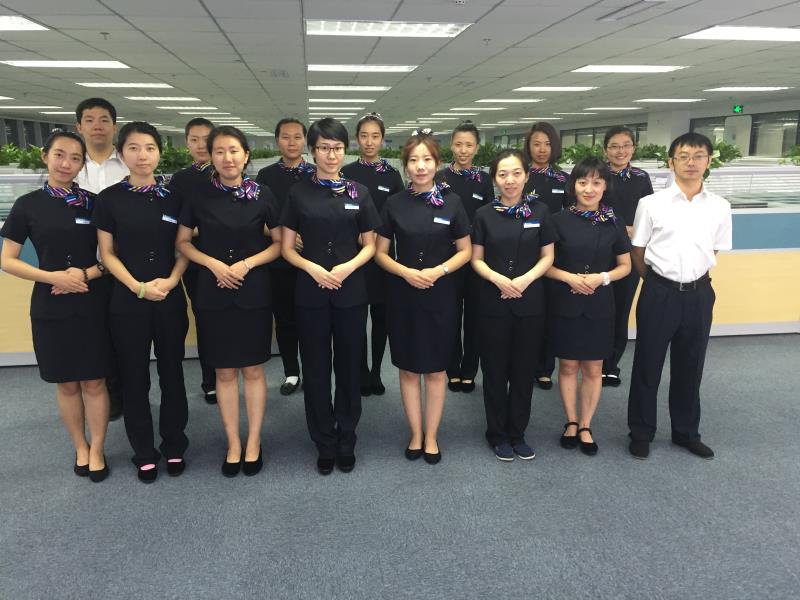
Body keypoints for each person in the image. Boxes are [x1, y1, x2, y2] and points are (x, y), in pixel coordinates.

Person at [0, 130, 112, 482]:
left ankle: (98, 448)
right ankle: (80, 446)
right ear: (45, 156)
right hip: (50, 303)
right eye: (60, 155)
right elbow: (8, 260)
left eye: (75, 158)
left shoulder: (95, 203)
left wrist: (84, 274)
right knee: (66, 383)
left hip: (92, 300)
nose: (66, 163)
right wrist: (53, 278)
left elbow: (112, 257)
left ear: (82, 164)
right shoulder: (27, 205)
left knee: (94, 381)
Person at [176, 126, 281, 477]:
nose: (227, 158)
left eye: (234, 150)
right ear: (210, 156)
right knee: (223, 371)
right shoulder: (199, 194)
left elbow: (279, 243)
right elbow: (183, 242)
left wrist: (247, 264)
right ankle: (233, 442)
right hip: (213, 289)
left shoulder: (263, 194)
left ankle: (254, 441)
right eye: (219, 151)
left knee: (253, 369)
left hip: (254, 290)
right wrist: (214, 264)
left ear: (246, 155)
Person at [281, 118, 380, 475]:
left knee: (349, 366)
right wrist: (313, 269)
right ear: (313, 151)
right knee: (316, 368)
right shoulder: (298, 193)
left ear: (345, 150)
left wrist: (345, 268)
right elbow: (286, 248)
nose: (331, 154)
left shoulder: (359, 192)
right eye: (324, 148)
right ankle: (324, 439)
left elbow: (370, 245)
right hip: (310, 291)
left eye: (337, 148)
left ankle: (347, 436)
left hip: (350, 291)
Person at [93, 122, 189, 483]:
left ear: (159, 153)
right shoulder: (109, 199)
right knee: (134, 377)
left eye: (149, 147)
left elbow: (184, 246)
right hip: (128, 300)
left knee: (172, 374)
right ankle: (144, 452)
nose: (142, 155)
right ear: (121, 154)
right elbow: (107, 253)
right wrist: (138, 287)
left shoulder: (175, 198)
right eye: (133, 148)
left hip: (168, 296)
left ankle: (175, 444)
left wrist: (173, 280)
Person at [627, 132, 732, 460]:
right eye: (683, 156)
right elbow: (638, 251)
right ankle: (641, 432)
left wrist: (691, 279)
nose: (691, 162)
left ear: (708, 161)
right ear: (671, 162)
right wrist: (657, 283)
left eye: (698, 156)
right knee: (647, 364)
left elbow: (714, 249)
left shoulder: (720, 206)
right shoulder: (651, 204)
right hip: (659, 292)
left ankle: (686, 432)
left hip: (699, 295)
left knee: (691, 365)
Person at [375, 129, 472, 464]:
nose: (420, 166)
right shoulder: (394, 203)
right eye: (414, 160)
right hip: (403, 295)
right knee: (407, 369)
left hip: (441, 294)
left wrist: (439, 271)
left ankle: (431, 435)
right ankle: (415, 433)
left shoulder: (452, 202)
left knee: (435, 370)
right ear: (405, 165)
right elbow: (380, 253)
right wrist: (406, 272)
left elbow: (465, 251)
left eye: (427, 159)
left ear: (437, 163)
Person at [471, 149, 556, 461]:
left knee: (523, 370)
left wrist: (524, 280)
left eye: (516, 173)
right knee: (494, 370)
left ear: (526, 176)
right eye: (503, 174)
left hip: (529, 300)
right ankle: (496, 433)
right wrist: (499, 280)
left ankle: (517, 432)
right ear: (495, 179)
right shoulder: (484, 214)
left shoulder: (540, 212)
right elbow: (476, 259)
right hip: (493, 299)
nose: (510, 180)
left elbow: (548, 256)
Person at [545, 157, 632, 456]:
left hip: (599, 303)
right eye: (583, 182)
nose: (589, 189)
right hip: (565, 301)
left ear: (605, 186)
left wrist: (601, 278)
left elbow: (625, 266)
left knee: (594, 368)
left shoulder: (613, 221)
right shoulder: (557, 220)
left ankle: (585, 425)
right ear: (573, 185)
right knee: (568, 365)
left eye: (596, 182)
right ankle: (571, 421)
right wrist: (569, 277)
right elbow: (545, 265)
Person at [342, 112, 404, 397]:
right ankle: (360, 371)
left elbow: (401, 213)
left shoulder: (392, 175)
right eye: (364, 136)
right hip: (353, 255)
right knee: (356, 319)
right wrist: (363, 237)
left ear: (382, 139)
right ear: (357, 139)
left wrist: (382, 241)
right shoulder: (347, 173)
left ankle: (376, 372)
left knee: (381, 318)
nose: (369, 142)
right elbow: (341, 212)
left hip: (384, 256)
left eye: (375, 136)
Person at [74, 97, 129, 421]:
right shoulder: (70, 167)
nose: (97, 126)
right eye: (90, 119)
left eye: (104, 119)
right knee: (91, 338)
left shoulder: (129, 165)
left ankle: (120, 396)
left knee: (123, 337)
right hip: (84, 270)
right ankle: (97, 396)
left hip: (124, 269)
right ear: (79, 126)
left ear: (114, 126)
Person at [255, 118, 315, 396]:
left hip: (312, 260)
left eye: (297, 137)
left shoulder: (316, 173)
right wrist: (282, 236)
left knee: (312, 319)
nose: (292, 142)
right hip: (278, 259)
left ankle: (314, 370)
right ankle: (291, 372)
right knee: (285, 318)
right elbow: (256, 217)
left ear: (305, 141)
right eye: (286, 137)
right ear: (277, 140)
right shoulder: (266, 176)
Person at [436, 121, 493, 394]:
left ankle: (469, 369)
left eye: (469, 145)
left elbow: (491, 217)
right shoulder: (439, 178)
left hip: (477, 258)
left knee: (474, 317)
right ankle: (452, 368)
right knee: (450, 315)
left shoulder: (484, 180)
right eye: (458, 144)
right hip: (447, 257)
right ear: (451, 146)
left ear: (477, 148)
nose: (463, 150)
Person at [601, 126, 654, 387]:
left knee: (621, 310)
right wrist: (623, 227)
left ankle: (610, 365)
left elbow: (651, 215)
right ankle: (592, 359)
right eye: (614, 146)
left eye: (625, 145)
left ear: (633, 148)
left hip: (629, 254)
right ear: (605, 150)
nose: (620, 151)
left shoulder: (641, 178)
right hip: (598, 250)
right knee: (596, 309)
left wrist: (633, 230)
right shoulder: (597, 175)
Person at [169, 117, 217, 404]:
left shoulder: (229, 173)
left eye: (206, 139)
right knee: (205, 319)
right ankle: (210, 380)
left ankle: (234, 373)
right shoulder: (180, 180)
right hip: (195, 263)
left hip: (235, 260)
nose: (201, 145)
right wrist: (212, 226)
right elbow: (177, 225)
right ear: (186, 143)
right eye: (194, 139)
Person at [522, 121, 570, 391]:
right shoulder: (521, 175)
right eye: (536, 144)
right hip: (523, 252)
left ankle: (545, 367)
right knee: (529, 312)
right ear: (528, 146)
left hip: (553, 254)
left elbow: (571, 213)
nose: (542, 149)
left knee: (550, 311)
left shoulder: (563, 179)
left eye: (547, 144)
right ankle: (526, 363)